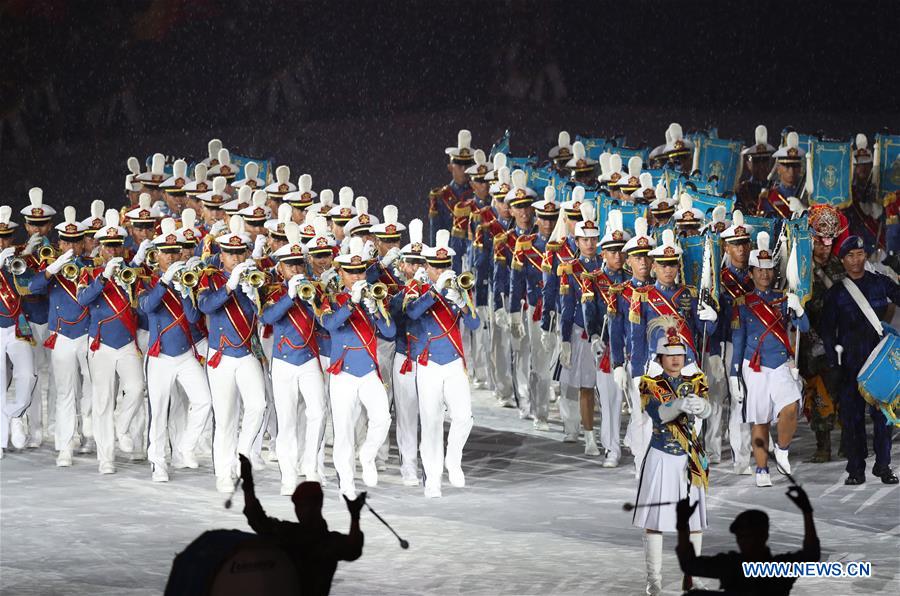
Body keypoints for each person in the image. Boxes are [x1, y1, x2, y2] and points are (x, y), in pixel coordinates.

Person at [633, 319, 711, 596]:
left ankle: (693, 577)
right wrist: (678, 404)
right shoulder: (649, 384)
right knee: (656, 522)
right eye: (670, 354)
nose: (676, 359)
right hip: (662, 457)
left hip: (689, 458)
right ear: (661, 357)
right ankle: (653, 579)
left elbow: (707, 412)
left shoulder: (696, 381)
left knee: (694, 524)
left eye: (679, 354)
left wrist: (702, 406)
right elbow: (659, 415)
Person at [730, 232, 809, 487]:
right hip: (754, 365)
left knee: (791, 407)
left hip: (780, 363)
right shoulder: (742, 303)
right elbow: (738, 339)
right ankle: (762, 469)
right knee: (760, 419)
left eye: (769, 270)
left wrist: (798, 309)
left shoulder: (785, 299)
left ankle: (782, 450)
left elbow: (804, 328)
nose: (765, 274)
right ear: (751, 273)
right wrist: (734, 373)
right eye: (759, 270)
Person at [405, 229, 479, 498]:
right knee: (432, 422)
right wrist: (436, 291)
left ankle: (453, 460)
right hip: (428, 363)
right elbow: (411, 313)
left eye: (445, 265)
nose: (441, 270)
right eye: (435, 266)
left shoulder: (461, 286)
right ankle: (433, 478)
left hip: (453, 361)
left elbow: (474, 323)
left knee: (463, 417)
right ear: (426, 266)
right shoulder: (418, 287)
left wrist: (462, 301)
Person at [821, 235, 900, 485]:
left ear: (865, 256)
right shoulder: (836, 293)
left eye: (860, 254)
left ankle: (884, 466)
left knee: (883, 417)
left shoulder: (880, 283)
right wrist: (833, 363)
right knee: (852, 419)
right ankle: (856, 469)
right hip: (851, 365)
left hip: (879, 362)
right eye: (850, 256)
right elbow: (826, 330)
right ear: (842, 260)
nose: (856, 260)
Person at [197, 217, 269, 492]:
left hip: (247, 351)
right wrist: (229, 286)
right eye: (231, 253)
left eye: (241, 252)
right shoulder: (210, 276)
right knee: (225, 417)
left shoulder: (256, 276)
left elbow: (265, 315)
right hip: (222, 354)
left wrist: (254, 293)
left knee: (258, 405)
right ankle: (223, 472)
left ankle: (242, 455)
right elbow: (206, 306)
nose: (236, 257)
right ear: (222, 254)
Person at [318, 236, 393, 499]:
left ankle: (368, 454)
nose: (356, 276)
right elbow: (329, 325)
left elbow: (390, 331)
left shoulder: (376, 298)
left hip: (369, 371)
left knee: (383, 418)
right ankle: (347, 483)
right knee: (344, 432)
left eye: (360, 271)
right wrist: (351, 302)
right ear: (340, 273)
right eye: (350, 272)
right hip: (343, 374)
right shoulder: (332, 298)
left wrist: (374, 309)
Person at [139, 218, 212, 482]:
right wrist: (165, 282)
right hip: (160, 357)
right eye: (167, 252)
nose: (172, 256)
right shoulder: (147, 279)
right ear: (156, 254)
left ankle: (184, 447)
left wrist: (184, 290)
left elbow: (193, 318)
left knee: (204, 400)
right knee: (158, 411)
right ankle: (158, 461)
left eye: (175, 251)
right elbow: (146, 307)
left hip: (185, 354)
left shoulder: (187, 281)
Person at [76, 209, 146, 474]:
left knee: (137, 388)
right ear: (100, 247)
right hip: (100, 344)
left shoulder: (132, 272)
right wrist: (104, 277)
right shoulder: (90, 273)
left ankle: (122, 422)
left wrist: (126, 277)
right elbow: (83, 301)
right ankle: (106, 457)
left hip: (127, 342)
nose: (113, 251)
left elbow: (140, 305)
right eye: (109, 246)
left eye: (117, 246)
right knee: (103, 399)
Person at [260, 222, 327, 494]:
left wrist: (309, 300)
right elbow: (267, 318)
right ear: (281, 267)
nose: (297, 270)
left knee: (319, 413)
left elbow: (324, 323)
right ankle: (288, 475)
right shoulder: (273, 290)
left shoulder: (316, 289)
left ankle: (311, 467)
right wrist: (289, 297)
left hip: (309, 359)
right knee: (286, 420)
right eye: (291, 265)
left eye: (300, 264)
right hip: (284, 361)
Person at [239, 455, 364, 596]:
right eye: (297, 506)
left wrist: (355, 518)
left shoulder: (300, 536)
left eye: (302, 505)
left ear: (316, 505)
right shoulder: (317, 538)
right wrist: (247, 482)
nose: (298, 510)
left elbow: (353, 549)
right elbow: (258, 520)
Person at [27, 206, 93, 466]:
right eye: (66, 241)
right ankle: (65, 445)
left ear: (82, 242)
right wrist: (51, 269)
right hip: (63, 335)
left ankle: (88, 434)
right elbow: (32, 287)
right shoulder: (50, 265)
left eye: (76, 241)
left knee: (92, 387)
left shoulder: (92, 265)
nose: (71, 246)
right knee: (65, 391)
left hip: (88, 335)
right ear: (59, 242)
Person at [675, 484, 819, 595]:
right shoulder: (779, 567)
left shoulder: (735, 566)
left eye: (749, 536)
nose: (743, 542)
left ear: (764, 536)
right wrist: (807, 512)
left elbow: (811, 556)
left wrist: (682, 525)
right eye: (740, 537)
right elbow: (690, 565)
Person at [801, 205, 847, 463]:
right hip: (812, 341)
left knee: (841, 392)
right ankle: (823, 444)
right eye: (821, 242)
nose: (826, 247)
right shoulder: (802, 270)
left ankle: (846, 440)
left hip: (838, 339)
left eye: (830, 242)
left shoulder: (840, 267)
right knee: (820, 394)